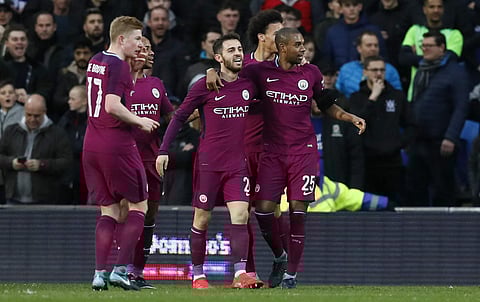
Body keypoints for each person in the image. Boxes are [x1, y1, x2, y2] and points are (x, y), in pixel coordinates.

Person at [241, 27, 365, 289]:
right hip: (272, 152)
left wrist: (348, 117)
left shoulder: (311, 73)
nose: (303, 49)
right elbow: (231, 81)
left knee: (298, 212)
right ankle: (280, 256)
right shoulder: (259, 72)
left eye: (303, 45)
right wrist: (209, 73)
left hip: (303, 152)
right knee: (263, 211)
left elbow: (325, 104)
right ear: (283, 47)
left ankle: (290, 277)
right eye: (298, 45)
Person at [156, 33, 264, 290]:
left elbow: (265, 67)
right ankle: (197, 275)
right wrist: (163, 150)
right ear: (218, 57)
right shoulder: (205, 86)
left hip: (237, 164)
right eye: (231, 50)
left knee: (240, 215)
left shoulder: (249, 85)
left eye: (239, 49)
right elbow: (180, 116)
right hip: (208, 164)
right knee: (202, 219)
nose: (237, 53)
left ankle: (240, 275)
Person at [206, 9, 284, 284]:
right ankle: (247, 272)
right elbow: (221, 77)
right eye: (278, 33)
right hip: (244, 149)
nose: (283, 38)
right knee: (242, 213)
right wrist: (210, 71)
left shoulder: (287, 66)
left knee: (270, 212)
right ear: (263, 37)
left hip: (273, 151)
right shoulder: (245, 64)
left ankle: (281, 258)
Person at [84, 16, 159, 291]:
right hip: (115, 143)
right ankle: (119, 270)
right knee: (140, 205)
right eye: (137, 39)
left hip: (91, 143)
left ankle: (98, 274)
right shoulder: (118, 66)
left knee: (109, 210)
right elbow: (112, 105)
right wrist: (140, 120)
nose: (140, 44)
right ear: (121, 39)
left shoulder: (96, 59)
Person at [125, 36, 174, 289]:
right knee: (127, 215)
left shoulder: (156, 84)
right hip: (124, 157)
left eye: (150, 48)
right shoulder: (120, 83)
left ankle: (137, 272)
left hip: (152, 160)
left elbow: (171, 116)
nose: (148, 52)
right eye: (142, 48)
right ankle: (119, 269)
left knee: (149, 217)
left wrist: (196, 109)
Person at [405, 31, 469, 206]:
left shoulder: (456, 72)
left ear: (442, 48)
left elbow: (461, 107)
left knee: (443, 188)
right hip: (419, 139)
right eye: (422, 46)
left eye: (429, 46)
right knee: (415, 187)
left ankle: (445, 229)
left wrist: (451, 137)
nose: (424, 49)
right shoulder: (421, 68)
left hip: (441, 141)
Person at [349, 55, 414, 201]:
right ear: (365, 72)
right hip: (367, 161)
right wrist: (373, 98)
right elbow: (356, 123)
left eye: (382, 70)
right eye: (374, 70)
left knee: (393, 204)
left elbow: (412, 125)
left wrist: (398, 143)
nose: (378, 73)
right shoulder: (356, 98)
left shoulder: (397, 96)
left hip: (392, 161)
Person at [0, 94, 72, 204]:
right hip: (13, 198)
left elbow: (66, 162)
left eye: (37, 116)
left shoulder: (57, 134)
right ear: (24, 111)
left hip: (45, 201)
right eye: (29, 115)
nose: (32, 119)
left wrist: (42, 165)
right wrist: (12, 163)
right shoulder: (11, 131)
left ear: (45, 112)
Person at [399, 0, 463, 101]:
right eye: (432, 7)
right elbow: (403, 58)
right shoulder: (414, 30)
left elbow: (449, 60)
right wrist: (435, 56)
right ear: (424, 9)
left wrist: (416, 58)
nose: (436, 10)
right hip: (416, 94)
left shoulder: (454, 34)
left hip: (442, 95)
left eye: (439, 7)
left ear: (443, 9)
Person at [336, 30, 401, 98]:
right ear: (359, 48)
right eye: (369, 45)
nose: (373, 48)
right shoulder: (346, 70)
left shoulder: (390, 70)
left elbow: (398, 98)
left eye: (376, 45)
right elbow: (338, 94)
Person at [57, 85, 88, 205]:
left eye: (73, 99)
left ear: (85, 101)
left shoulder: (92, 122)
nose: (69, 101)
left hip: (84, 173)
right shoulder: (65, 120)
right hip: (67, 173)